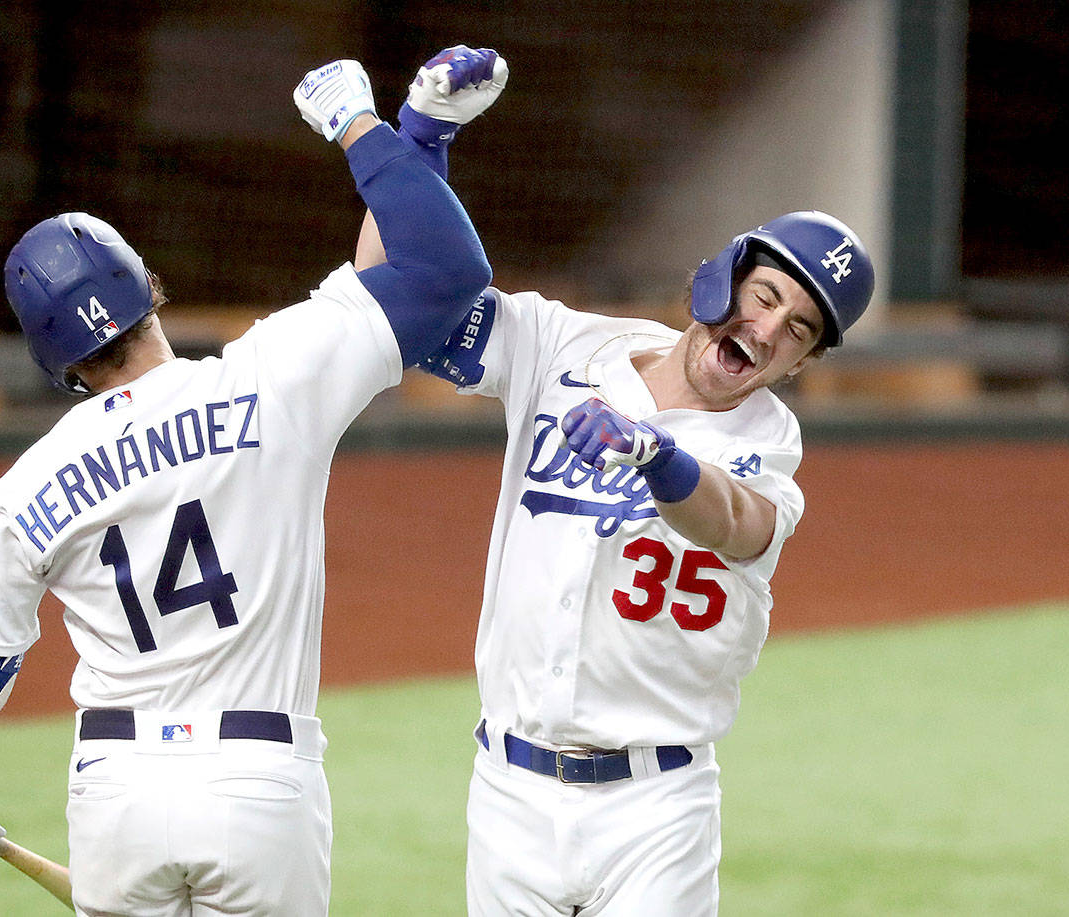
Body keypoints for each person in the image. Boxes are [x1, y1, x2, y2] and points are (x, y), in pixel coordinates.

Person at [0, 54, 502, 916]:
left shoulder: (22, 488)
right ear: (147, 284)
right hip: (258, 783)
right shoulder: (268, 377)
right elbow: (437, 268)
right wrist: (379, 132)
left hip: (115, 796)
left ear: (54, 361)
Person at [358, 50, 875, 915]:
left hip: (655, 809)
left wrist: (657, 457)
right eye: (766, 293)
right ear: (724, 276)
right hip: (510, 791)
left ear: (801, 362)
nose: (770, 327)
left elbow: (738, 524)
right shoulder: (566, 347)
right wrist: (419, 143)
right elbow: (392, 299)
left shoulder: (767, 443)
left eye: (798, 328)